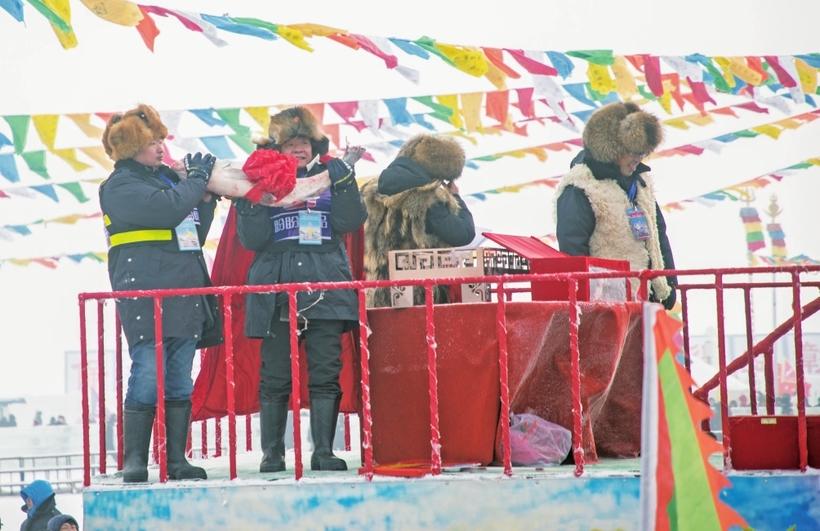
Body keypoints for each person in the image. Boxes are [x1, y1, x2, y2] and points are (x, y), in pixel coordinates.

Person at [233, 106, 367, 473]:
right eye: (291, 143)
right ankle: (272, 454)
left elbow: (350, 222)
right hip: (277, 290)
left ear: (314, 146)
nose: (299, 148)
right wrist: (248, 204)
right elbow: (253, 240)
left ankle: (323, 451)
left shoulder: (332, 175)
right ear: (278, 148)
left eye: (304, 142)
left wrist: (344, 184)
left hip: (327, 286)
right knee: (274, 374)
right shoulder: (257, 181)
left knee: (326, 372)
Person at [99, 103, 222, 483]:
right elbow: (167, 212)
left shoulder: (167, 182)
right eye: (152, 142)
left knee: (180, 376)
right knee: (148, 372)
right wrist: (196, 181)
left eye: (160, 141)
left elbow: (192, 235)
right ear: (131, 147)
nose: (160, 148)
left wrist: (204, 198)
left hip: (183, 288)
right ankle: (135, 459)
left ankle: (176, 460)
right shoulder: (119, 186)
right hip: (145, 293)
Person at [555, 101, 677, 309]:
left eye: (644, 153)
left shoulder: (641, 182)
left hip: (646, 300)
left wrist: (668, 282)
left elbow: (658, 235)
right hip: (606, 307)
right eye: (634, 152)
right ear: (613, 148)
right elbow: (573, 249)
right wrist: (589, 304)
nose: (639, 159)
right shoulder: (581, 187)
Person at [360, 133, 476, 307]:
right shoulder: (426, 197)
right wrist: (456, 197)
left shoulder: (369, 190)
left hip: (376, 294)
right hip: (418, 297)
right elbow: (463, 234)